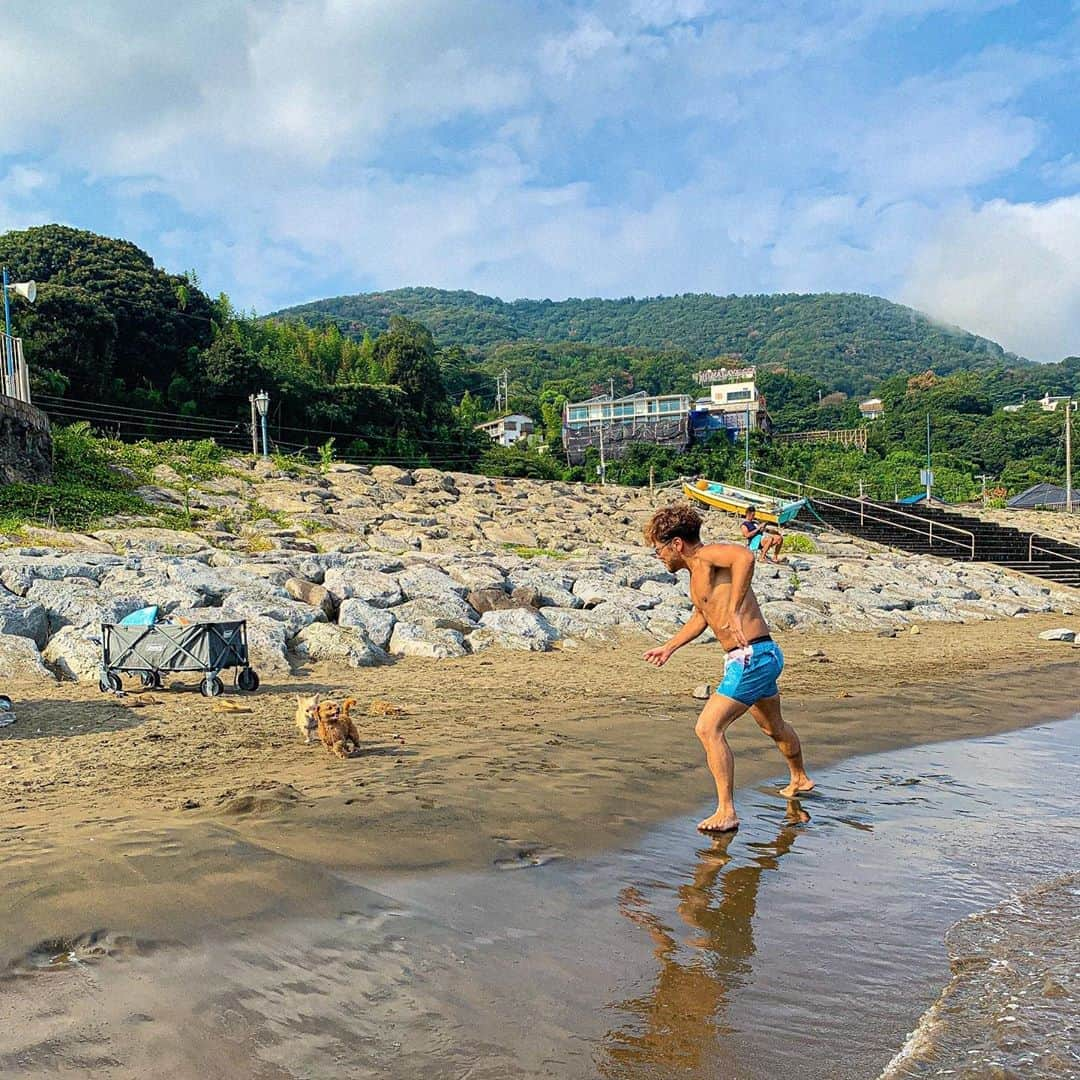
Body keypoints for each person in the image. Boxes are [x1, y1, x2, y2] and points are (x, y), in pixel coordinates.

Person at [642, 503, 814, 833]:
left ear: (677, 544)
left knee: (708, 729)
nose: (659, 556)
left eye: (659, 549)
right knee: (773, 726)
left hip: (750, 658)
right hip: (761, 655)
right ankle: (800, 777)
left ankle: (726, 811)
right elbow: (702, 617)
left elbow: (745, 557)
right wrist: (669, 647)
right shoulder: (697, 577)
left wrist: (735, 609)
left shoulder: (706, 557)